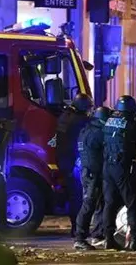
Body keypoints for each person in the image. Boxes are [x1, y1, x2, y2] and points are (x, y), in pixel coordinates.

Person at [102, 95, 136, 251]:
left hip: (107, 167)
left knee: (109, 203)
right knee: (132, 203)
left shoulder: (108, 122)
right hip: (121, 167)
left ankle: (108, 238)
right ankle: (135, 239)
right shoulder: (130, 124)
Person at [55, 93, 94, 237]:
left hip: (65, 161)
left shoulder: (65, 116)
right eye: (89, 108)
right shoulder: (79, 120)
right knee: (78, 196)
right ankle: (77, 229)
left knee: (73, 196)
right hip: (73, 162)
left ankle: (75, 227)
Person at [73, 106, 111, 250]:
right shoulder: (98, 132)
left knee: (98, 204)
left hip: (89, 172)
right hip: (92, 174)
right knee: (88, 205)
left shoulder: (86, 130)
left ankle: (97, 234)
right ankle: (80, 238)